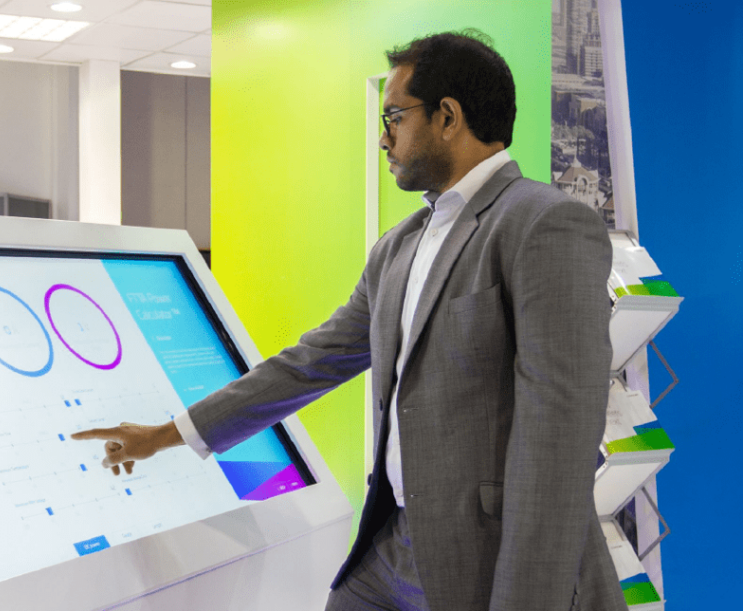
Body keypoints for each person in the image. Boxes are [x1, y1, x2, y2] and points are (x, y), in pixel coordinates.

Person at [73, 30, 626, 611]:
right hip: (388, 548)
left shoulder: (544, 223)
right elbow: (308, 363)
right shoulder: (400, 245)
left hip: (489, 557)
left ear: (447, 117)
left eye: (394, 116)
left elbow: (559, 431)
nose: (382, 137)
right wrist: (169, 434)